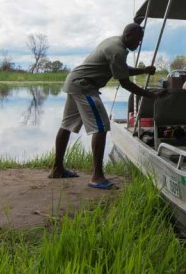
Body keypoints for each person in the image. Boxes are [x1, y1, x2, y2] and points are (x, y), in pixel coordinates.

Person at [50, 23, 165, 189]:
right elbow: (125, 83)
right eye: (138, 40)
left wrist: (143, 70)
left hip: (74, 82)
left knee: (66, 125)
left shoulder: (115, 43)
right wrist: (151, 95)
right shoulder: (117, 50)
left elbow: (121, 69)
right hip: (84, 86)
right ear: (129, 35)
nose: (138, 44)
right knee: (101, 127)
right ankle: (97, 177)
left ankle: (57, 169)